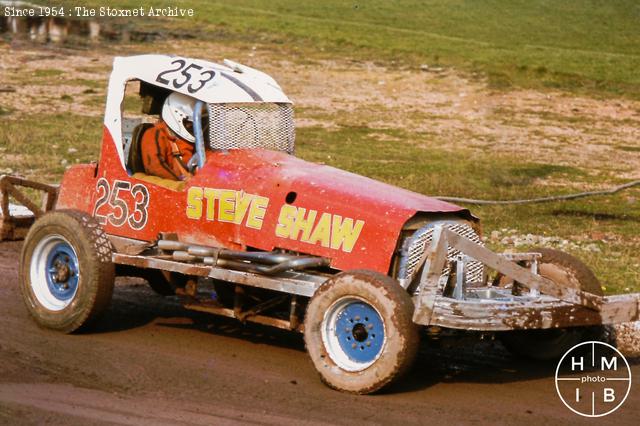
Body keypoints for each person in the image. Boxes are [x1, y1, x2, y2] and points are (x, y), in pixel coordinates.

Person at [140, 92, 196, 181]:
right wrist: (182, 183)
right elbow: (155, 167)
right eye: (189, 124)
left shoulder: (192, 139)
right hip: (171, 186)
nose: (192, 126)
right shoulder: (154, 134)